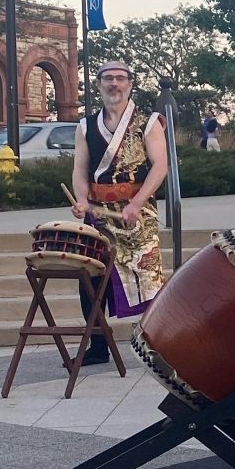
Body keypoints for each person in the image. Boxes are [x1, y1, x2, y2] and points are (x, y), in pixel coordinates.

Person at [71, 61, 168, 365]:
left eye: (120, 78)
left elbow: (161, 167)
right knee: (89, 277)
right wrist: (81, 200)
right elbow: (80, 169)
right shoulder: (86, 126)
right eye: (108, 78)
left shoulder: (148, 122)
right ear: (98, 84)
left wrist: (137, 202)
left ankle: (162, 343)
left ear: (130, 83)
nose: (114, 84)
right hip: (98, 215)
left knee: (149, 279)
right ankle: (98, 345)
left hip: (137, 212)